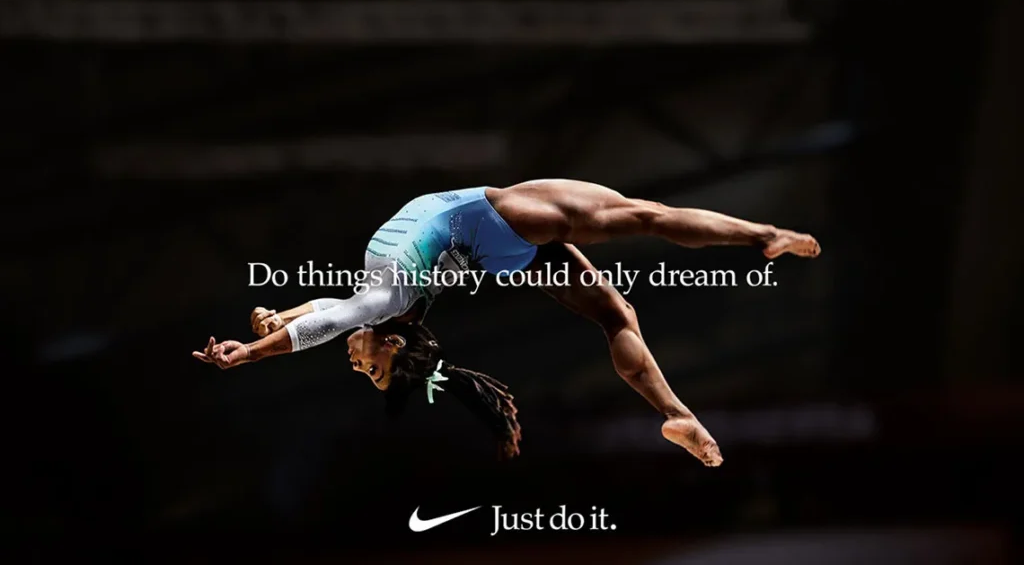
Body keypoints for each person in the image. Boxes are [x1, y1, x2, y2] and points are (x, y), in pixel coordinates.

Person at [193, 179, 820, 465]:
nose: (358, 364)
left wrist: (265, 325)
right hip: (501, 217)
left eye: (365, 369)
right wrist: (250, 354)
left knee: (615, 313)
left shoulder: (382, 303)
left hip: (494, 251)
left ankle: (677, 414)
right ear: (392, 342)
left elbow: (327, 314)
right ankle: (766, 235)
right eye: (372, 369)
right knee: (645, 216)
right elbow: (331, 323)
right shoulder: (382, 308)